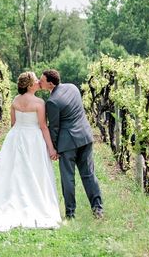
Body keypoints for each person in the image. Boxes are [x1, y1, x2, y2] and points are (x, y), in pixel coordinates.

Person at [0, 72, 61, 232]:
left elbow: (13, 123)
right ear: (29, 85)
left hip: (16, 136)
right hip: (33, 138)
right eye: (35, 81)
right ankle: (34, 202)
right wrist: (51, 148)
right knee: (34, 170)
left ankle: (11, 200)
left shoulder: (15, 101)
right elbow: (43, 126)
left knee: (12, 170)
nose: (38, 82)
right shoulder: (40, 103)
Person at [40, 69, 104, 219]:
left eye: (42, 81)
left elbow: (54, 127)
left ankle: (70, 213)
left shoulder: (52, 102)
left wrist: (53, 147)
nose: (39, 83)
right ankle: (98, 209)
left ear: (50, 83)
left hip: (68, 143)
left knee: (68, 177)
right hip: (85, 137)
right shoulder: (73, 87)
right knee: (89, 174)